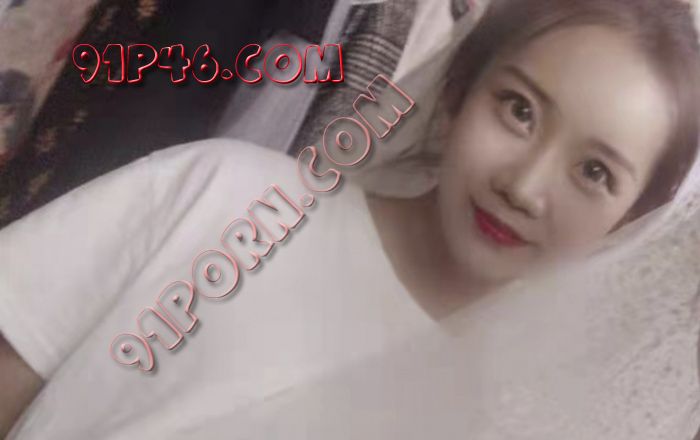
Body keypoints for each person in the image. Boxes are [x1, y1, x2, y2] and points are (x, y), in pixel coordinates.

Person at [1, 0, 699, 438]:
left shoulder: (484, 420)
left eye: (594, 173)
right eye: (519, 110)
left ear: (626, 223)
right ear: (458, 94)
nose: (524, 186)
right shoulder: (222, 196)